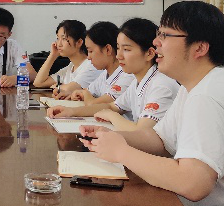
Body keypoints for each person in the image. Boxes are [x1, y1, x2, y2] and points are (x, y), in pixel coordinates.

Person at [80, 1, 224, 206]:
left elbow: (193, 183)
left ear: (200, 48)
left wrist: (122, 152)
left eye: (165, 35)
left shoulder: (207, 96)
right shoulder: (196, 85)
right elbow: (160, 140)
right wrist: (112, 136)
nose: (155, 42)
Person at [48, 18, 180, 131]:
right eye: (118, 48)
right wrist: (71, 112)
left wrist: (110, 115)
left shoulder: (161, 85)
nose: (118, 56)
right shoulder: (138, 81)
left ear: (149, 53)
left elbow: (141, 131)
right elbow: (112, 106)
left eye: (126, 49)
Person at [69, 21, 134, 105]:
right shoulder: (105, 74)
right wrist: (79, 94)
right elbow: (87, 92)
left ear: (108, 50)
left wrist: (85, 94)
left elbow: (93, 104)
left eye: (91, 51)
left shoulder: (127, 75)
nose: (88, 57)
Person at [32, 19, 102, 98]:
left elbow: (69, 89)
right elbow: (38, 83)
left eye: (64, 39)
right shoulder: (70, 67)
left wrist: (57, 86)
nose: (59, 44)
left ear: (79, 42)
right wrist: (52, 55)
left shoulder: (91, 65)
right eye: (58, 38)